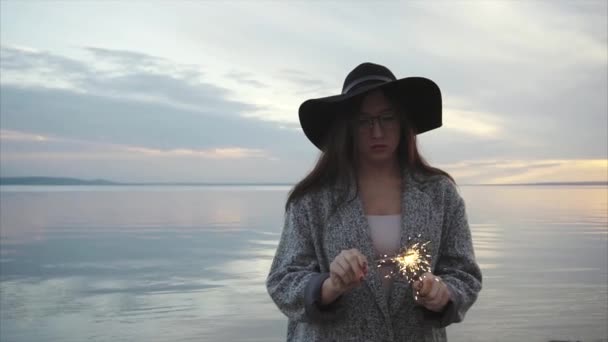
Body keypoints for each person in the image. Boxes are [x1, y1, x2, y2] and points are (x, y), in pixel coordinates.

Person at [266, 62, 482, 342]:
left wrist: (443, 293)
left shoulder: (439, 194)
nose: (377, 132)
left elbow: (464, 272)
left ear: (403, 123)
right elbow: (283, 279)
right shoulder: (313, 199)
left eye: (387, 118)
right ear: (348, 128)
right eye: (364, 121)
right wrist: (330, 285)